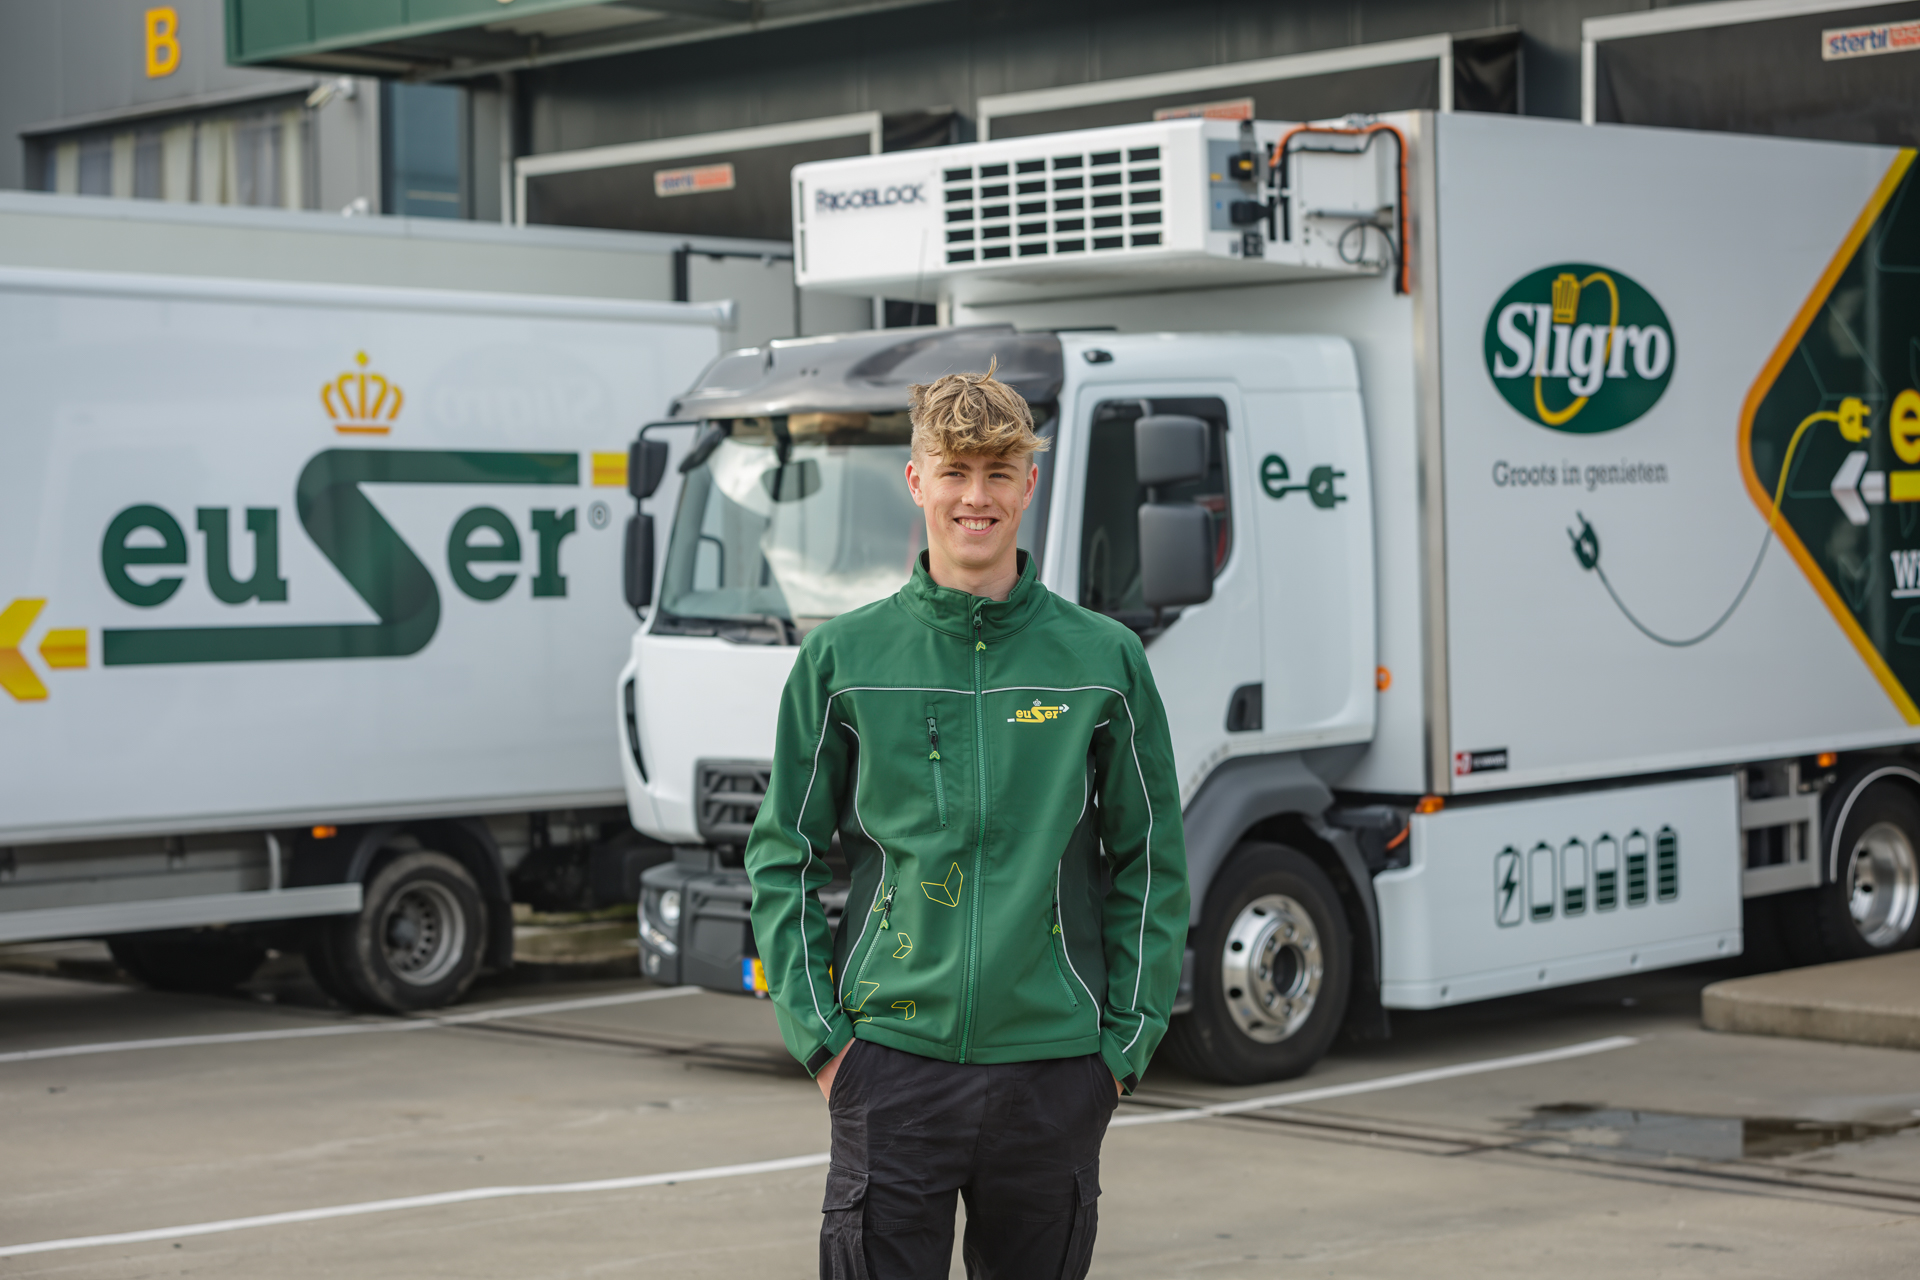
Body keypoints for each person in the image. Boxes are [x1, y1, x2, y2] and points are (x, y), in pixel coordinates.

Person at [745, 361, 1189, 1280]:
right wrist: (825, 1044)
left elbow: (1152, 864)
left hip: (1058, 1071)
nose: (974, 497)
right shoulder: (842, 659)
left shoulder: (1103, 661)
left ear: (1031, 483)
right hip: (890, 1065)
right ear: (917, 482)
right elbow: (781, 856)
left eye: (997, 472)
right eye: (954, 470)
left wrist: (1122, 1049)